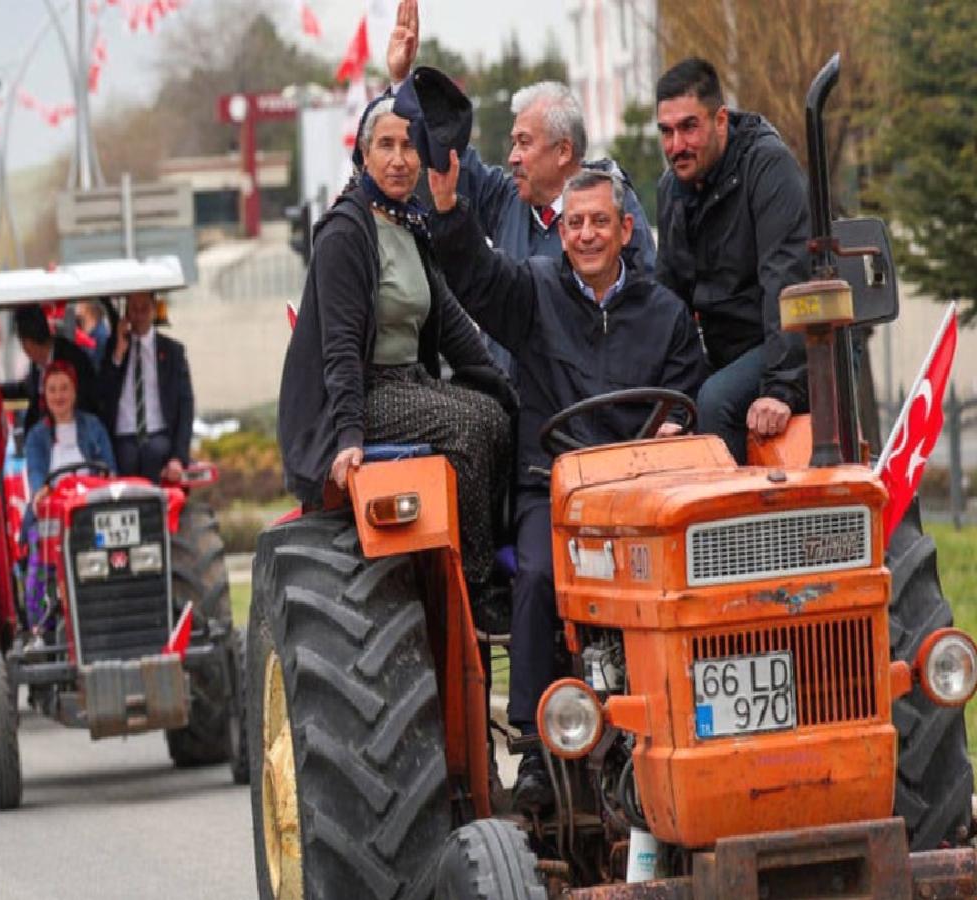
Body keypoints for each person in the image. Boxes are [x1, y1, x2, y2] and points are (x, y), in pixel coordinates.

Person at [429, 157, 708, 813]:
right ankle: (533, 750)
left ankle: (681, 719)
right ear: (560, 233)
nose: (586, 234)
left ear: (625, 231)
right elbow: (476, 275)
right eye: (575, 222)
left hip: (641, 495)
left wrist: (672, 434)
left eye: (599, 223)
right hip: (551, 486)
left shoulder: (664, 314)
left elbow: (687, 396)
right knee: (536, 578)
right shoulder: (531, 294)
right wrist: (447, 209)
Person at [277, 94, 516, 598]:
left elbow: (451, 322)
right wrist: (348, 437)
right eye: (385, 145)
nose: (399, 158)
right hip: (361, 393)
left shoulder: (410, 223)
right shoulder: (347, 232)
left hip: (409, 383)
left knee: (498, 417)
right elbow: (339, 348)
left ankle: (498, 550)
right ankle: (475, 584)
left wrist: (506, 388)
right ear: (364, 156)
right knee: (471, 428)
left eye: (409, 145)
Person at [386, 0, 656, 271]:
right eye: (514, 142)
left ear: (563, 150)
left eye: (524, 143)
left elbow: (645, 293)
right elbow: (449, 152)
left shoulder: (612, 204)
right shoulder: (507, 201)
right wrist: (402, 82)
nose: (513, 156)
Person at [654, 57, 809, 463]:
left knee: (716, 399)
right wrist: (667, 405)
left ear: (720, 120)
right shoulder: (671, 188)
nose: (676, 145)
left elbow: (786, 281)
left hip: (796, 340)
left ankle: (729, 526)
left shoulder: (768, 167)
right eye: (666, 132)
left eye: (689, 127)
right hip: (728, 349)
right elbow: (670, 305)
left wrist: (781, 388)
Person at [21, 361, 116, 644]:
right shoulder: (37, 436)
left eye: (64, 388)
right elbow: (38, 478)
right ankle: (39, 623)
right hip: (53, 512)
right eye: (53, 390)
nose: (59, 396)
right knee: (39, 550)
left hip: (91, 506)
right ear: (45, 396)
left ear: (74, 392)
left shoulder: (92, 426)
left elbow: (109, 468)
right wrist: (42, 492)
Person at [95, 291, 196, 484]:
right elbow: (102, 393)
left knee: (154, 453)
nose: (139, 315)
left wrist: (178, 457)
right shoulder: (112, 348)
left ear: (153, 310)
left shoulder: (173, 351)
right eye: (134, 309)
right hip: (123, 435)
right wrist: (118, 354)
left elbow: (186, 406)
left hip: (157, 433)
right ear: (126, 312)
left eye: (145, 309)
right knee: (126, 458)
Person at [1, 304, 99, 433]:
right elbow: (27, 389)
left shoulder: (73, 359)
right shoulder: (37, 365)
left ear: (27, 344)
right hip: (42, 435)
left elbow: (85, 402)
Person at [76, 300, 112, 367]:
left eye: (80, 301)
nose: (76, 304)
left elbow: (96, 367)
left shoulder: (101, 336)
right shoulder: (79, 329)